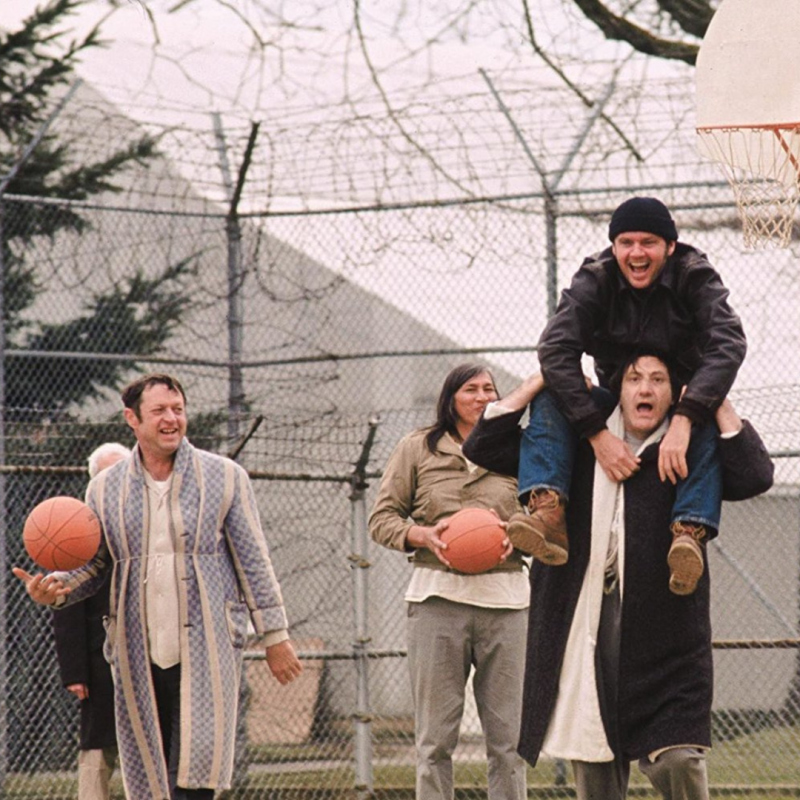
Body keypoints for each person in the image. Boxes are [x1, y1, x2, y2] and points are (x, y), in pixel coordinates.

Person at [463, 353, 774, 799]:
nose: (645, 389)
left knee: (679, 758)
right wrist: (540, 381)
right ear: (618, 389)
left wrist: (712, 399)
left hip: (665, 627)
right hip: (584, 620)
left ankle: (687, 532)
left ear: (674, 392)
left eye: (658, 380)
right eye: (634, 379)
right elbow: (483, 446)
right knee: (595, 765)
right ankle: (545, 512)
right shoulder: (578, 440)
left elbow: (756, 475)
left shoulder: (688, 442)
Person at [14, 373, 303, 800]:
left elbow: (253, 561)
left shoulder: (225, 477)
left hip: (207, 646)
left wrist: (275, 636)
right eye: (159, 411)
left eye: (178, 409)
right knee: (149, 776)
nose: (172, 419)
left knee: (198, 773)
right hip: (136, 650)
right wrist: (57, 588)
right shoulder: (104, 489)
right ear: (132, 419)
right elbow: (96, 565)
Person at [510, 196, 747, 596]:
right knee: (551, 393)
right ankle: (547, 509)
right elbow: (555, 349)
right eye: (626, 243)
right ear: (614, 246)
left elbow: (729, 343)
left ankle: (689, 530)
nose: (637, 253)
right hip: (615, 401)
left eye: (648, 242)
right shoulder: (595, 278)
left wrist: (685, 417)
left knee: (704, 405)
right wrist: (596, 433)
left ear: (670, 247)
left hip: (677, 401)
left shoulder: (694, 275)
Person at [369, 364, 529, 800]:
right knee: (435, 742)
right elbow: (381, 518)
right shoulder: (418, 447)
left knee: (509, 743)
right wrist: (422, 535)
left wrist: (516, 534)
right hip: (437, 600)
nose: (482, 397)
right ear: (451, 399)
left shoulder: (519, 447)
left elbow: (546, 517)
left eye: (489, 389)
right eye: (470, 389)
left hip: (507, 602)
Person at [52, 442, 130, 800]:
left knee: (152, 743)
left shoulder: (147, 525)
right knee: (98, 744)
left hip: (148, 655)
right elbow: (66, 608)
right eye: (109, 475)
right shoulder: (77, 534)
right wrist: (75, 672)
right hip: (100, 661)